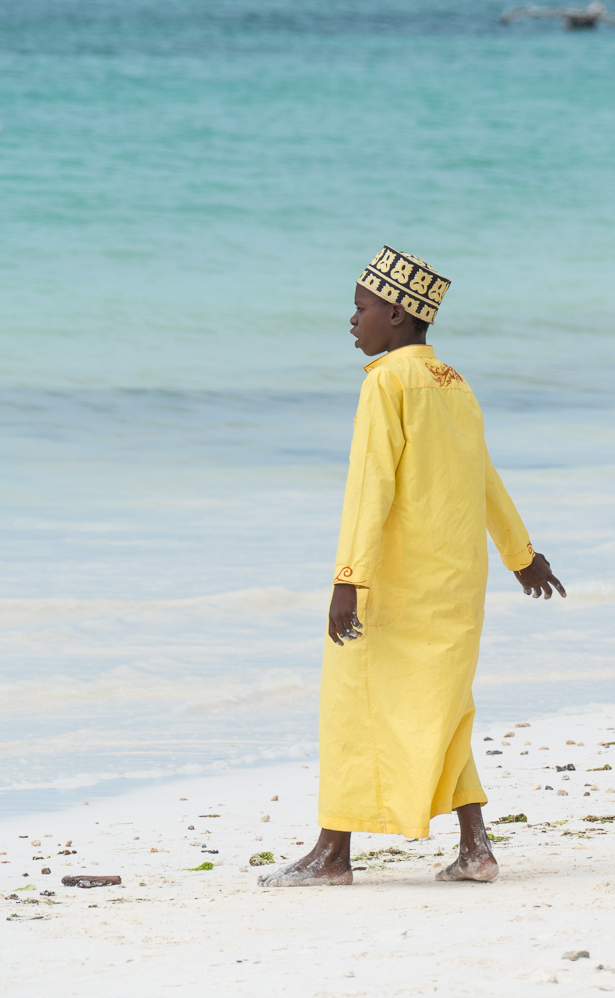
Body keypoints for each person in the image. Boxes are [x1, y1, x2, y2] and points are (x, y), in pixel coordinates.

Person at [260, 247, 566, 888]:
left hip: (395, 582)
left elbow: (369, 486)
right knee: (444, 708)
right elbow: (482, 475)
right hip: (456, 576)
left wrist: (348, 579)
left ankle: (332, 853)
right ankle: (475, 846)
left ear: (396, 315)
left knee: (352, 703)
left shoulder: (385, 381)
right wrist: (520, 555)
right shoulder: (454, 382)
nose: (352, 319)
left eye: (361, 306)